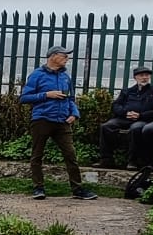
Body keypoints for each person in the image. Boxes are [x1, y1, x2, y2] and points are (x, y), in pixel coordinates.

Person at [18, 45, 96, 200]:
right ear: (52, 56)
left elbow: (71, 98)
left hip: (62, 121)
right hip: (42, 119)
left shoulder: (65, 77)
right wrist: (47, 95)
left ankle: (77, 189)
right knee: (37, 155)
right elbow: (24, 98)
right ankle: (38, 188)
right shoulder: (37, 75)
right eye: (64, 56)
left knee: (71, 155)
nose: (67, 59)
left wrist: (74, 113)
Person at [99, 66, 153, 168]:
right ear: (135, 77)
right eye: (141, 75)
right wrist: (126, 113)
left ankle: (132, 161)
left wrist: (140, 115)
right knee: (106, 126)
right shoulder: (127, 91)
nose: (144, 78)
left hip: (143, 119)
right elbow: (116, 105)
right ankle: (106, 159)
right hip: (124, 118)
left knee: (136, 128)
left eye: (146, 75)